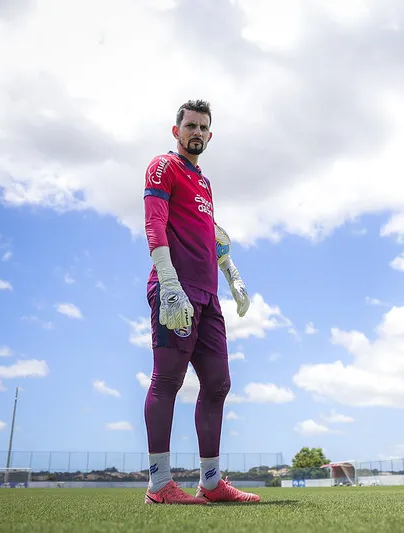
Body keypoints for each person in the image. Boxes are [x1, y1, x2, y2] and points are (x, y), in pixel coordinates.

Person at [141, 99, 258, 505]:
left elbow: (213, 235)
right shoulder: (163, 166)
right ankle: (159, 485)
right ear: (177, 131)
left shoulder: (205, 184)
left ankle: (210, 483)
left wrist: (233, 276)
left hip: (208, 298)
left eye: (203, 127)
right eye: (190, 125)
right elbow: (154, 222)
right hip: (175, 289)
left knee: (218, 384)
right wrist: (170, 281)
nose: (196, 132)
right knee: (168, 381)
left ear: (210, 135)